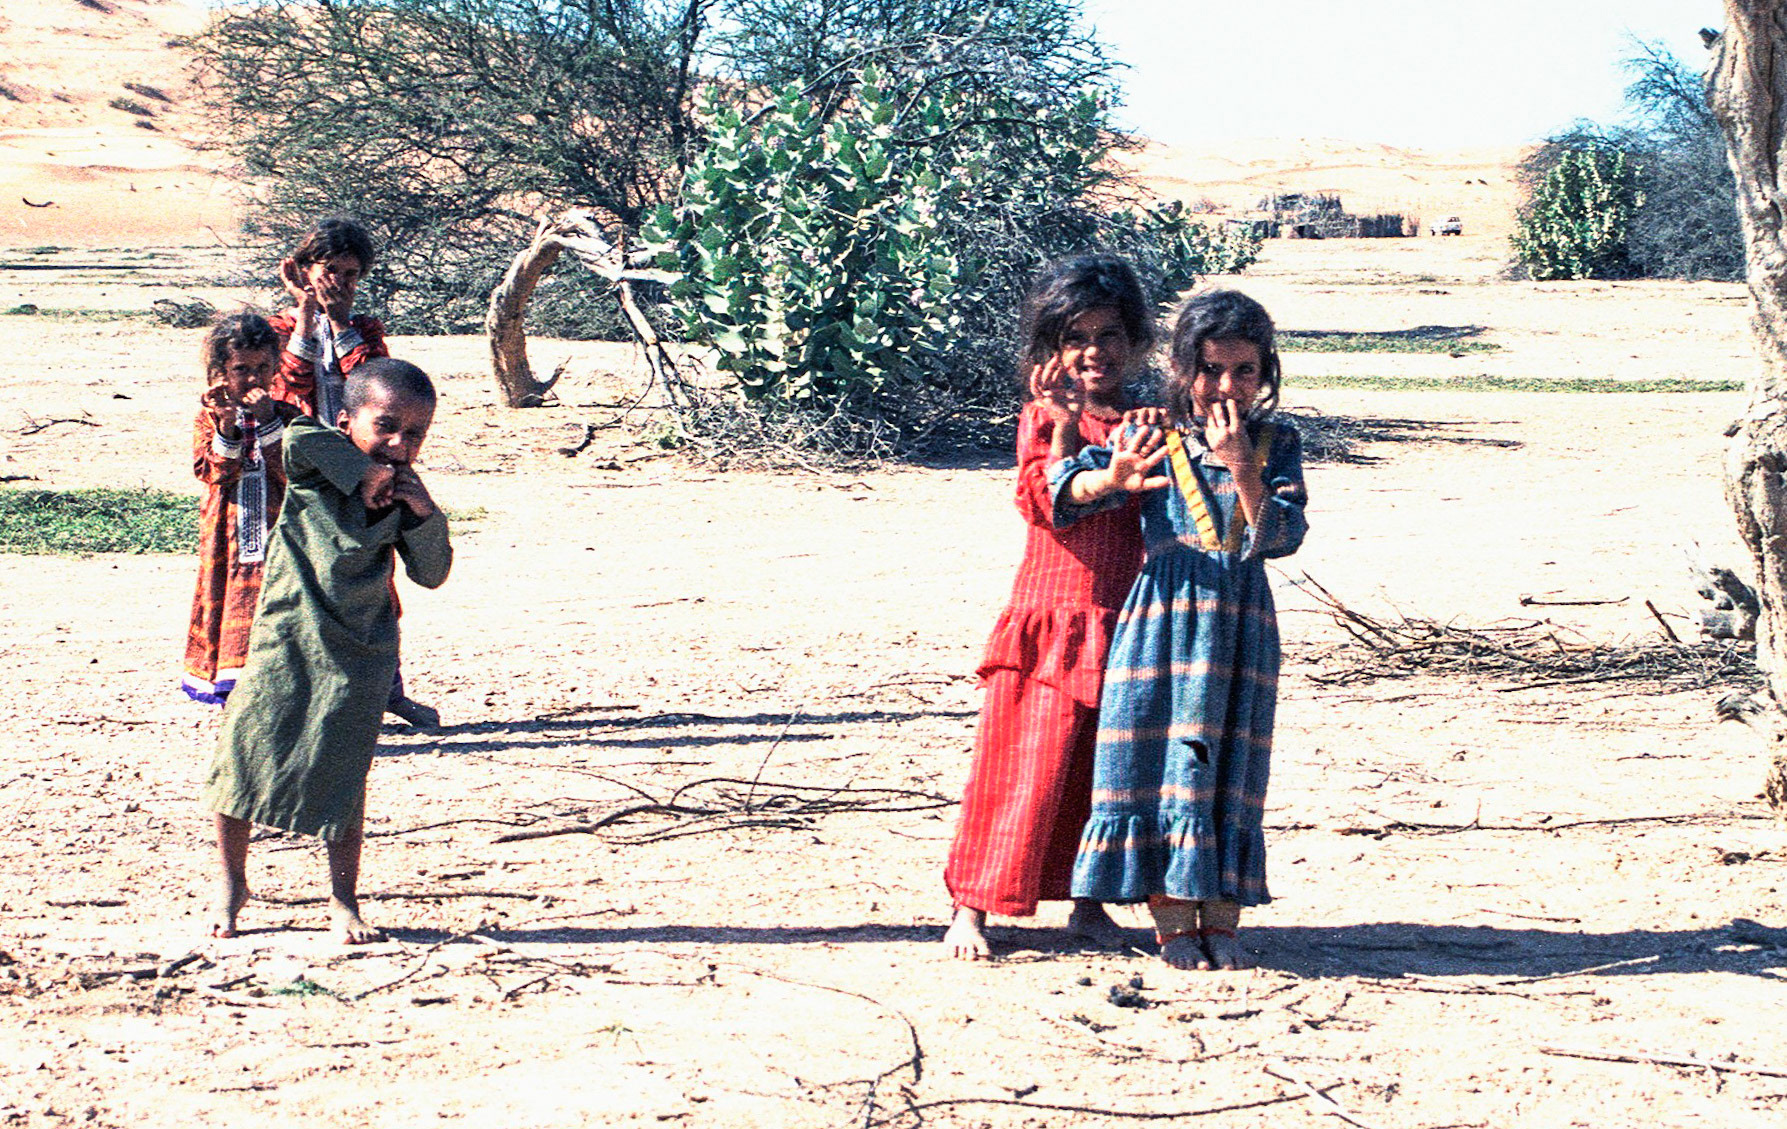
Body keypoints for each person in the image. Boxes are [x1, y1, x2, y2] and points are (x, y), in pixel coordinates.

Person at [1050, 289, 1308, 971]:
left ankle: (1220, 920)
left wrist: (1242, 465)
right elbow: (1064, 494)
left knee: (1230, 767)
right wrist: (1083, 448)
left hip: (1239, 625)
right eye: (1211, 370)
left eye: (1244, 371)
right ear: (1180, 367)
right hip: (1162, 624)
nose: (1226, 387)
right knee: (1158, 768)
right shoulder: (1148, 432)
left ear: (1265, 373)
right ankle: (1170, 921)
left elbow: (1280, 536)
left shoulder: (1277, 442)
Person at [942, 254, 1160, 960]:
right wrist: (1072, 438)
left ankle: (1088, 903)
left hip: (1123, 621)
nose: (1093, 352)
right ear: (1051, 348)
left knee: (1100, 775)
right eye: (1075, 337)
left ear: (1134, 341)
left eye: (1108, 335)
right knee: (1018, 768)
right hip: (1050, 616)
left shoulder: (1145, 425)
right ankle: (969, 908)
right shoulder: (1043, 417)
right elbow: (1041, 502)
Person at [202, 359, 452, 944]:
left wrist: (423, 514)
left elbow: (433, 573)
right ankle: (232, 885)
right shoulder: (321, 467)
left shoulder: (403, 496)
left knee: (343, 776)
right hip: (288, 637)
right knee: (242, 758)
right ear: (347, 422)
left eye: (414, 433)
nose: (398, 443)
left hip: (360, 654)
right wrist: (360, 471)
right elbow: (297, 436)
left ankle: (343, 900)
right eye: (385, 426)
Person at [270, 216, 438, 729]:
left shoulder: (364, 331)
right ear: (302, 269)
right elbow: (286, 392)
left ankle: (387, 686)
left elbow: (378, 384)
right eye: (330, 270)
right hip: (302, 471)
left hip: (368, 466)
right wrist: (305, 319)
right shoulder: (275, 330)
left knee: (374, 574)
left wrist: (340, 326)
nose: (339, 283)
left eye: (351, 274)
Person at [182, 313, 297, 704]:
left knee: (278, 607)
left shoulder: (287, 417)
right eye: (241, 369)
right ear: (220, 372)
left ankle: (279, 696)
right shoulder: (208, 418)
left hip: (278, 533)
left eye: (263, 368)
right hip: (228, 538)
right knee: (231, 601)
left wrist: (267, 423)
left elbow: (292, 471)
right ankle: (235, 697)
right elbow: (213, 473)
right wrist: (227, 428)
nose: (253, 379)